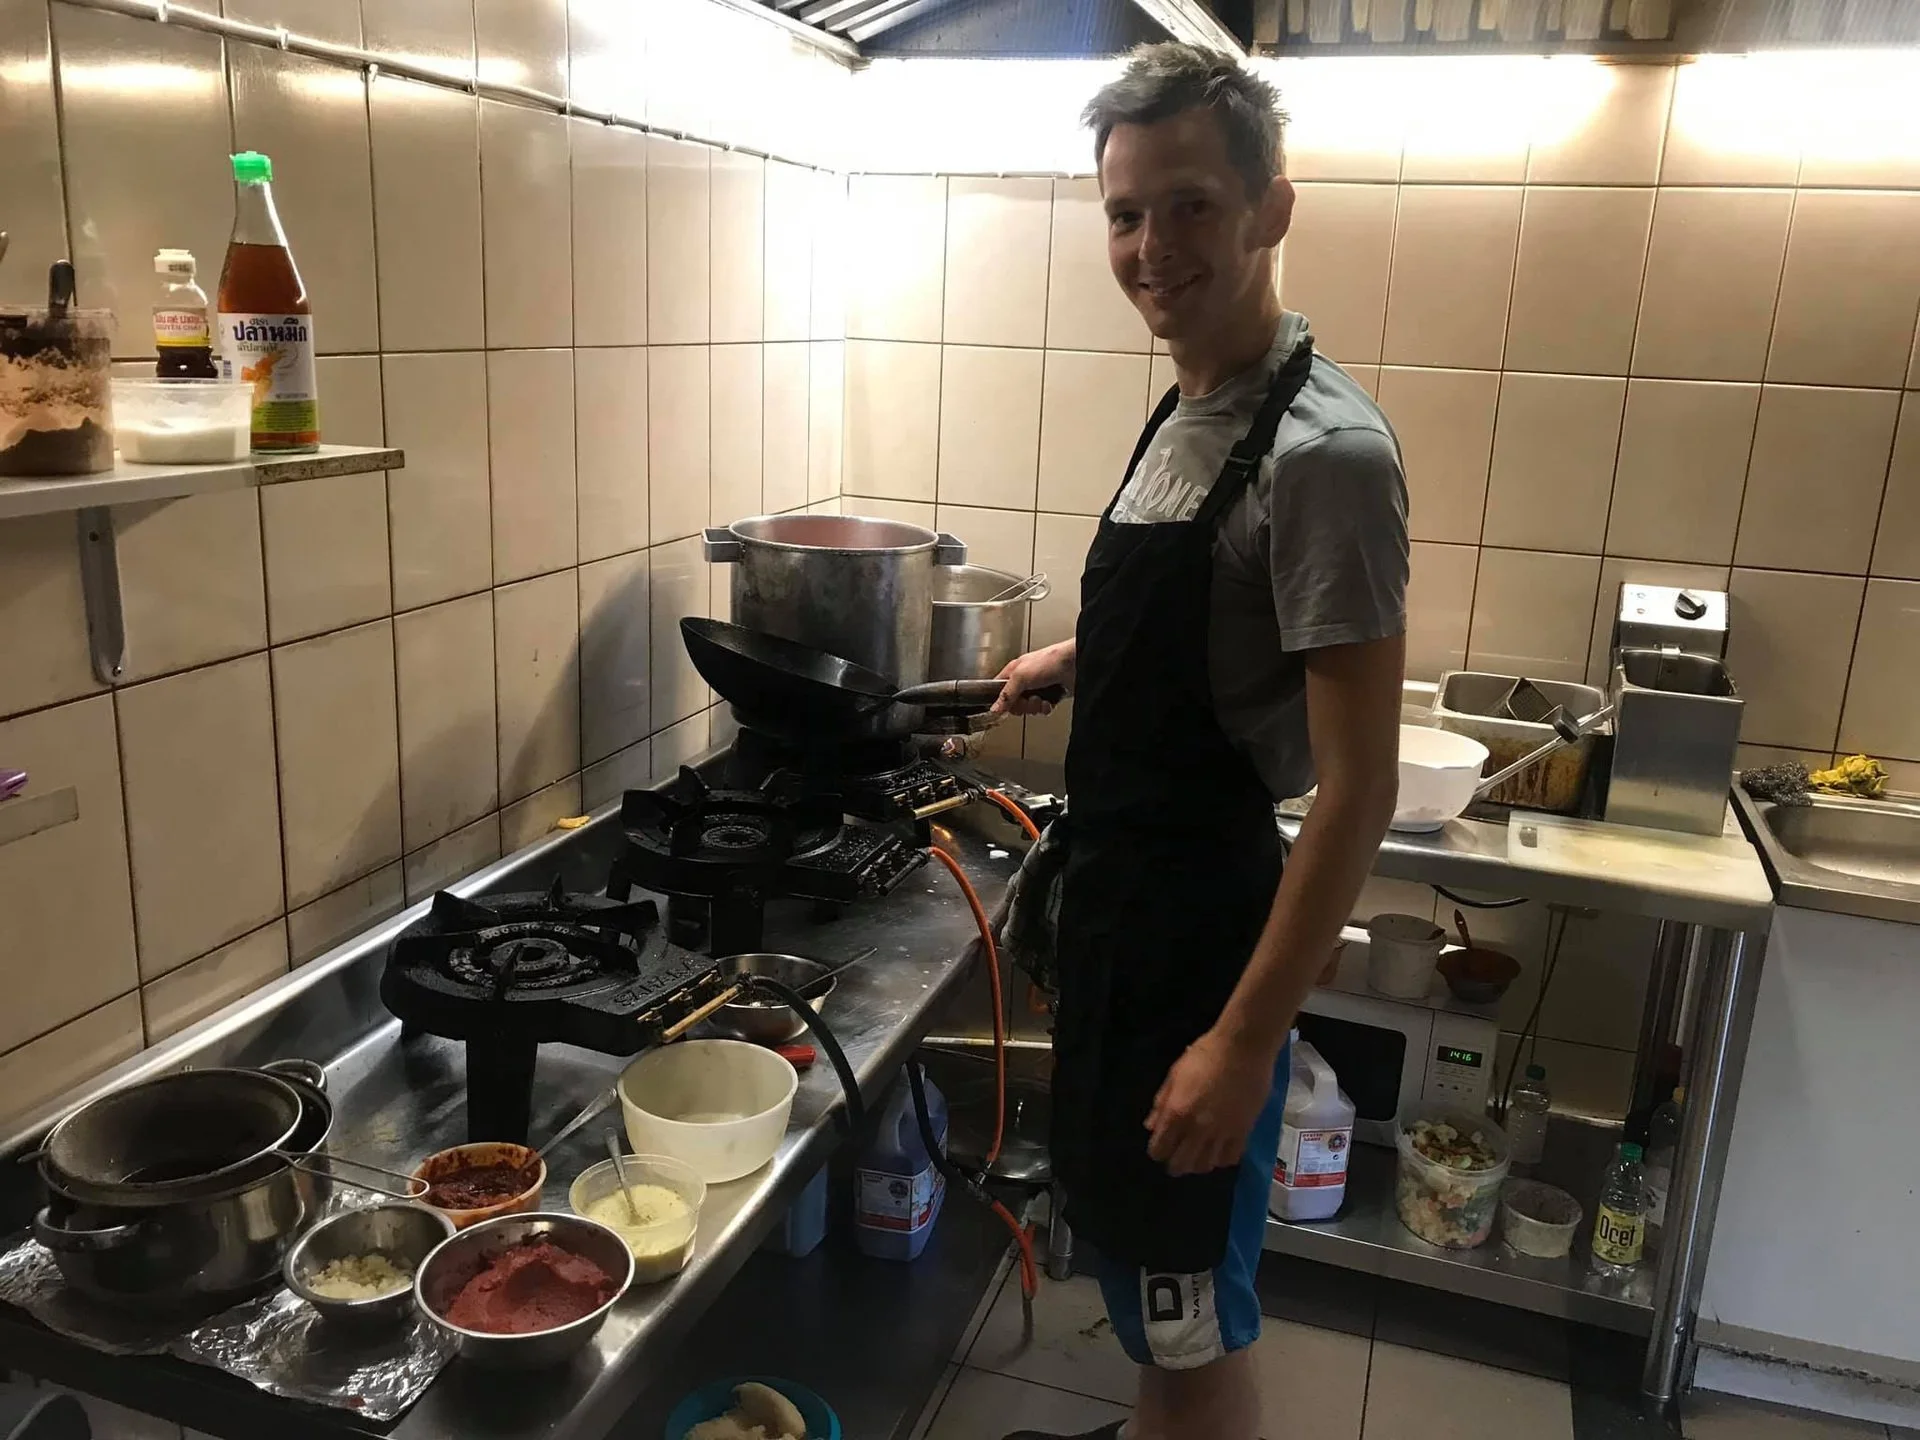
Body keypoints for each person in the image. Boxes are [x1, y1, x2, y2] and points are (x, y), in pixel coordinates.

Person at [990, 42, 1408, 1440]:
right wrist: (1073, 659)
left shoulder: (1324, 456)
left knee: (1188, 1326)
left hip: (1199, 948)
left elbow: (1358, 789)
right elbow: (1213, 626)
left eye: (1190, 208)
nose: (1151, 249)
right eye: (1124, 213)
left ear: (1271, 210)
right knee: (1143, 1277)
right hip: (1124, 916)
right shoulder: (1190, 397)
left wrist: (1243, 1045)